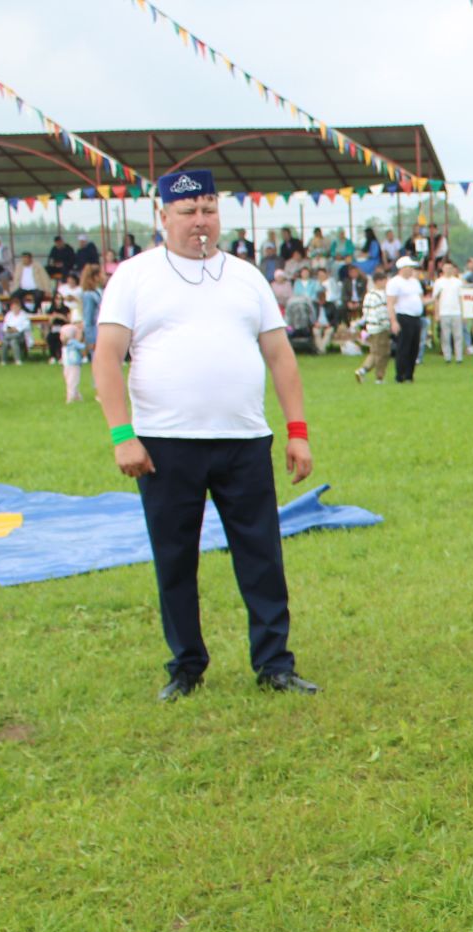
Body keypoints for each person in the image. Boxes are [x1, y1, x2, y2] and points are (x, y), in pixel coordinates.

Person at [92, 169, 318, 702]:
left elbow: (280, 356)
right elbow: (106, 357)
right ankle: (186, 666)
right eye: (189, 211)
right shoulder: (135, 275)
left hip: (243, 441)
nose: (201, 221)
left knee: (262, 556)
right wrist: (122, 435)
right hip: (164, 446)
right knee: (175, 559)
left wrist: (297, 432)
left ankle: (274, 664)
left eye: (210, 209)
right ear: (164, 216)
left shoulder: (246, 277)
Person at [384, 257, 426, 384]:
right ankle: (400, 374)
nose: (411, 270)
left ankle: (409, 374)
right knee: (404, 347)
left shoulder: (414, 282)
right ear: (402, 268)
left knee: (414, 347)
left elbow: (420, 298)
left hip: (415, 317)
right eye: (409, 267)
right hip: (403, 316)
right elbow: (390, 303)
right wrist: (393, 321)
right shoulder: (394, 282)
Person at [354, 268, 392, 385]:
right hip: (380, 328)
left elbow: (365, 312)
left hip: (370, 327)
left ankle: (363, 371)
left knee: (375, 351)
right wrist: (387, 324)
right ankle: (378, 376)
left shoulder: (369, 294)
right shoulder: (381, 296)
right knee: (382, 353)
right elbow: (381, 312)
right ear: (379, 281)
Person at [432, 262, 466, 363]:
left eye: (450, 268)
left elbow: (461, 298)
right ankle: (447, 356)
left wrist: (463, 313)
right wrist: (436, 313)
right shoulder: (438, 282)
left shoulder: (458, 282)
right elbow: (436, 299)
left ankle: (459, 357)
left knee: (458, 335)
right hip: (444, 312)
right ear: (443, 270)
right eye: (446, 268)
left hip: (456, 311)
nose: (448, 270)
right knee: (445, 336)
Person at [0, 299, 33, 365]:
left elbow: (26, 326)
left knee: (11, 338)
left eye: (16, 307)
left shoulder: (23, 315)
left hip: (21, 336)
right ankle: (3, 361)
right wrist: (10, 329)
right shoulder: (8, 315)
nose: (15, 308)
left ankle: (17, 360)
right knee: (8, 341)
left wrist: (16, 329)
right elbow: (4, 326)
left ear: (19, 307)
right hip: (10, 333)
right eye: (13, 307)